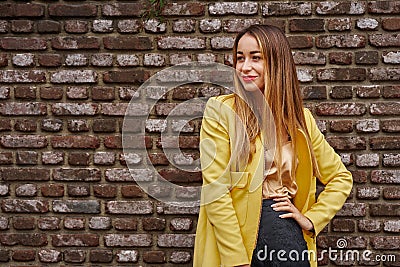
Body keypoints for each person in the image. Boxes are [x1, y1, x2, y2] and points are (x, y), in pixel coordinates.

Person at [193, 25, 353, 267]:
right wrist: (237, 259)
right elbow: (216, 190)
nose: (244, 67)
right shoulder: (221, 111)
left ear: (277, 63)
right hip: (238, 243)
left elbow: (340, 178)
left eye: (255, 58)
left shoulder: (300, 120)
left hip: (286, 238)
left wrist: (311, 219)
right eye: (240, 58)